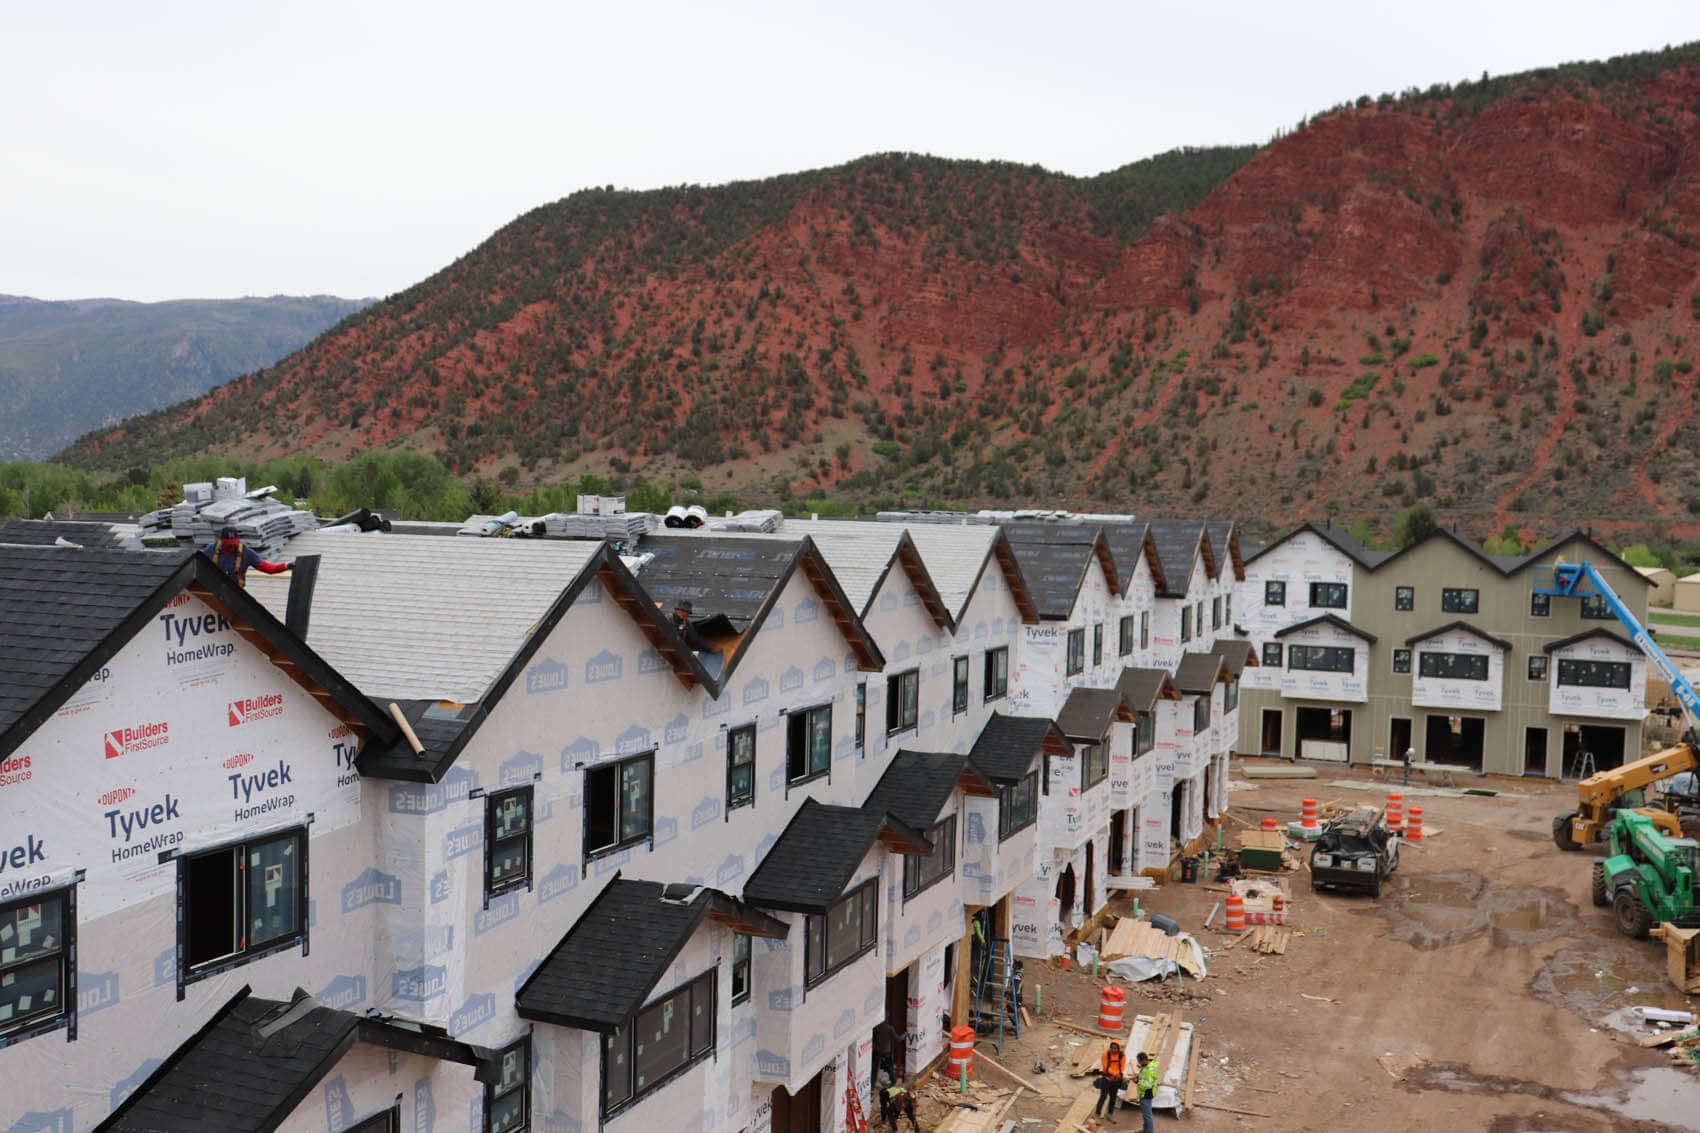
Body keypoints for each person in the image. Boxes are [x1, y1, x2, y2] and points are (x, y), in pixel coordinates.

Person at [203, 526, 290, 587]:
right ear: (221, 541)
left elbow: (269, 568)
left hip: (235, 594)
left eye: (234, 544)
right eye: (229, 545)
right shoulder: (210, 550)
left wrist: (286, 566)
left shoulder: (246, 553)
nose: (232, 547)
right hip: (212, 591)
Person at [1093, 1040, 1126, 1119]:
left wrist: (1117, 1075)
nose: (1114, 1050)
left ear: (1119, 1049)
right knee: (1103, 1097)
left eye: (1115, 1048)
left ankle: (1110, 1114)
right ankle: (1097, 1114)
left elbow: (1122, 1067)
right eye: (1112, 1048)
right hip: (1106, 1078)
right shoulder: (1105, 1054)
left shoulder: (1122, 1055)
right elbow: (1105, 1067)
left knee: (1113, 1097)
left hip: (1116, 1079)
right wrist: (1114, 1074)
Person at [871, 1019, 898, 1094]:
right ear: (886, 1020)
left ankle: (871, 1089)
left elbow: (873, 1040)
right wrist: (904, 1035)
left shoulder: (875, 1029)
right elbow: (898, 1039)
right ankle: (893, 1085)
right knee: (890, 1070)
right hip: (886, 1054)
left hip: (877, 1053)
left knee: (874, 1071)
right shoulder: (889, 1028)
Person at [1134, 1050, 1159, 1133]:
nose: (1139, 1064)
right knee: (1146, 1114)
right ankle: (1146, 1130)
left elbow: (1148, 1084)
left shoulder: (1150, 1069)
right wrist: (1138, 1078)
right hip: (1146, 1093)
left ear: (1143, 1060)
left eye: (1139, 1062)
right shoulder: (1147, 1066)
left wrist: (1137, 1082)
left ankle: (1150, 1131)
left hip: (1146, 1093)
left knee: (1147, 1115)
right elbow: (1144, 1077)